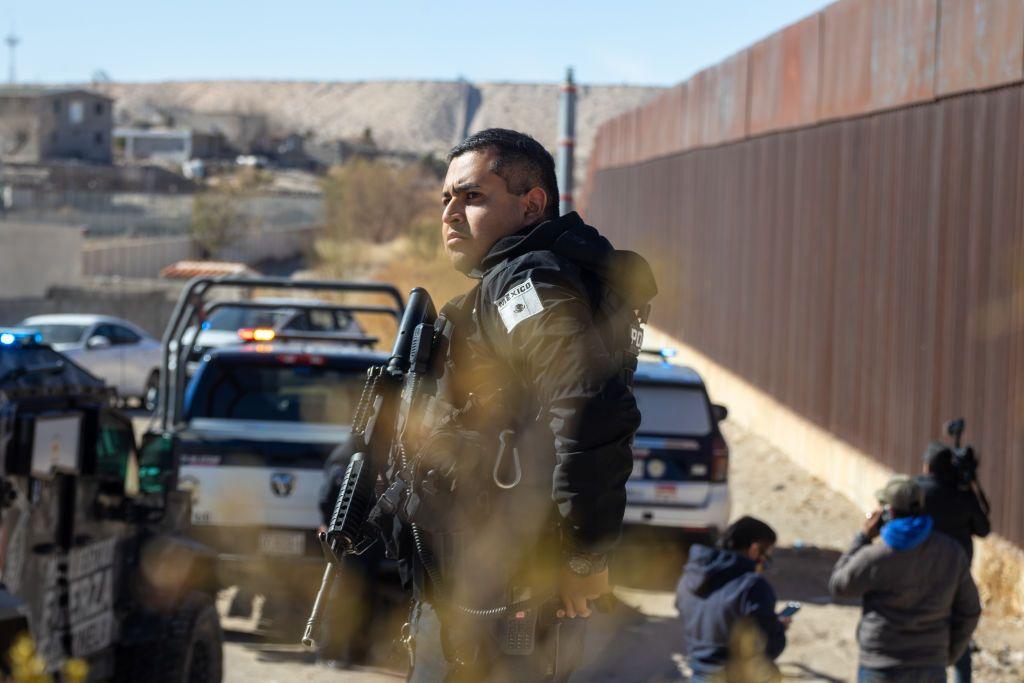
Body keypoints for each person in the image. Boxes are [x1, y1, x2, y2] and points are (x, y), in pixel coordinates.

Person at [395, 128, 657, 682]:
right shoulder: (508, 283)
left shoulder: (526, 283)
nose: (450, 213)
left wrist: (586, 555)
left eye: (472, 196)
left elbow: (588, 402)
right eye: (446, 198)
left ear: (532, 203)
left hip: (503, 598)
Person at [829, 476, 981, 683]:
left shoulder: (876, 555)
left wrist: (862, 538)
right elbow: (970, 610)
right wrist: (948, 654)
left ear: (888, 512)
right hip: (930, 663)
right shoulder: (951, 552)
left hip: (881, 664)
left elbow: (839, 585)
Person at [675, 516, 788, 682]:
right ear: (754, 550)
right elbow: (767, 649)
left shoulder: (688, 579)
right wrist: (777, 627)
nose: (764, 565)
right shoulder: (752, 586)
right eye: (766, 559)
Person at [915, 442, 990, 683]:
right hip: (957, 577)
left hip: (919, 575)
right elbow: (984, 529)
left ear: (927, 466)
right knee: (960, 639)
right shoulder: (962, 494)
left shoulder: (916, 491)